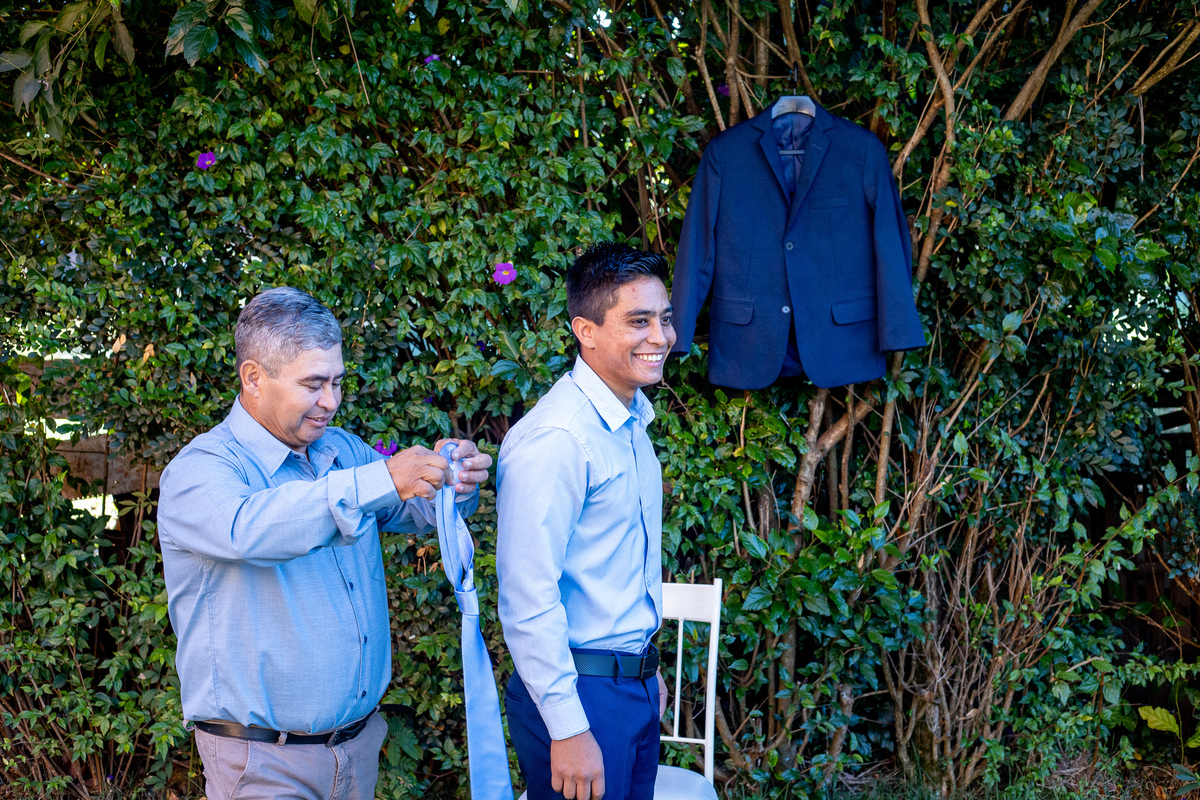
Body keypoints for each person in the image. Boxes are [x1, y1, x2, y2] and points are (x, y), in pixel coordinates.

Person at [158, 287, 492, 800]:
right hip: (262, 762)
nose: (331, 402)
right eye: (313, 384)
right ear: (253, 378)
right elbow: (252, 530)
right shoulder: (201, 470)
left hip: (356, 753)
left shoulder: (341, 450)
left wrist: (454, 480)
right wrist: (380, 478)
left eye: (336, 382)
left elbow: (413, 509)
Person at [496, 243, 675, 800]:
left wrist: (645, 668)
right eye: (638, 322)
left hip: (629, 686)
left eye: (664, 319)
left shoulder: (629, 422)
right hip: (578, 698)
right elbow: (528, 598)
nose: (661, 337)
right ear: (585, 329)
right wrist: (569, 727)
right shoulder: (559, 438)